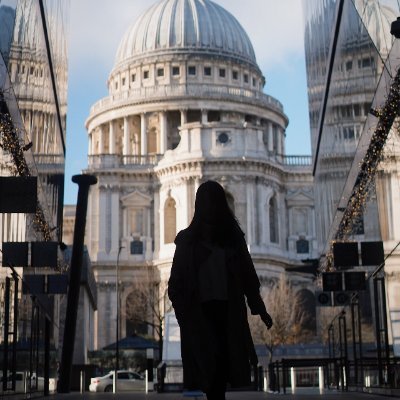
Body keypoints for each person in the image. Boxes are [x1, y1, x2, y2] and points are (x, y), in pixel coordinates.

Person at [168, 180, 273, 400]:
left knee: (222, 366)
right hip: (199, 313)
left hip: (227, 311)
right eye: (204, 202)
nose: (209, 206)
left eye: (213, 201)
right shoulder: (187, 240)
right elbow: (175, 283)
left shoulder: (233, 239)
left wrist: (259, 307)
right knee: (209, 366)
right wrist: (183, 314)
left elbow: (248, 275)